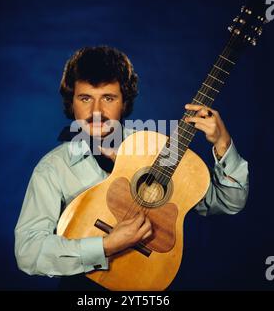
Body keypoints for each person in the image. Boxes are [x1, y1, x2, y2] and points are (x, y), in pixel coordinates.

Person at [14, 46, 249, 290]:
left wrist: (223, 144)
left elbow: (229, 202)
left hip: (149, 285)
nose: (96, 111)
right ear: (71, 102)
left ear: (124, 101)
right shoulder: (53, 168)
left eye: (108, 98)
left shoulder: (158, 152)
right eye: (85, 98)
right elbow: (28, 252)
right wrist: (106, 246)